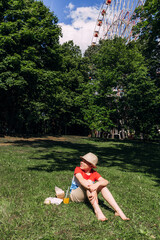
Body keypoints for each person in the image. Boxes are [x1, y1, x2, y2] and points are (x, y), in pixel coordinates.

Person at [70, 152, 130, 221]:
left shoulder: (94, 173)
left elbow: (106, 181)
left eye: (84, 162)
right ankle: (98, 212)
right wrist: (92, 189)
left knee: (103, 186)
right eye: (82, 160)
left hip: (88, 196)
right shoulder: (78, 169)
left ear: (91, 165)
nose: (81, 162)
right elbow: (82, 181)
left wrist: (96, 185)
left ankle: (118, 211)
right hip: (75, 196)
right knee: (89, 182)